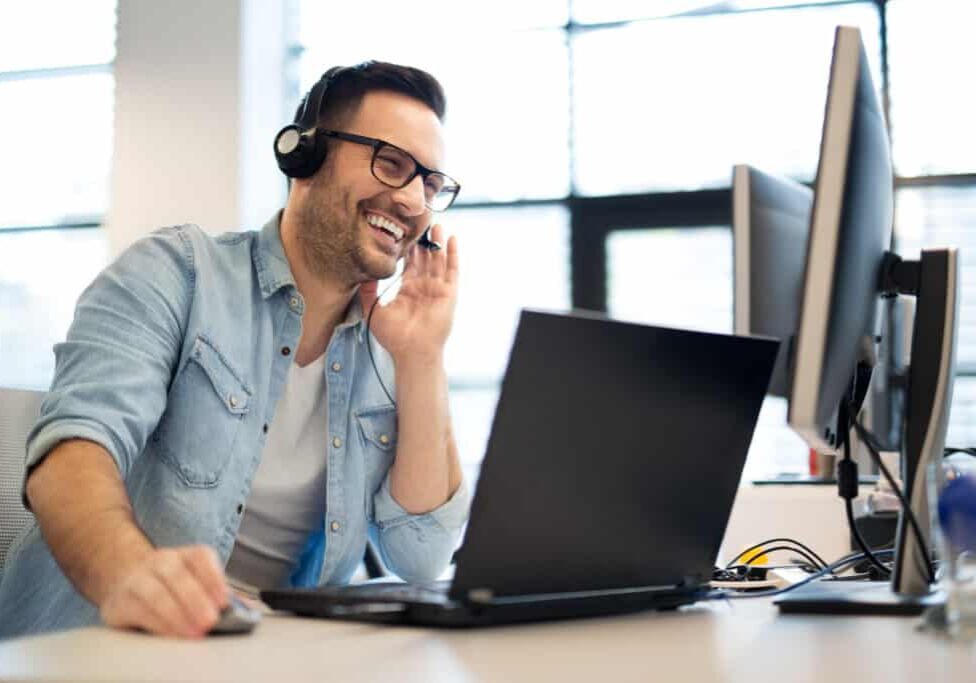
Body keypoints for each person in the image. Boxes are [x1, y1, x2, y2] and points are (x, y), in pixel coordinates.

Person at [0, 61, 469, 639]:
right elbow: (73, 452)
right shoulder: (176, 274)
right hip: (110, 648)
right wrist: (128, 574)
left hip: (280, 658)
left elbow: (420, 558)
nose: (410, 199)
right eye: (390, 163)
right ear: (305, 156)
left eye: (429, 183)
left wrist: (422, 358)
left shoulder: (390, 345)